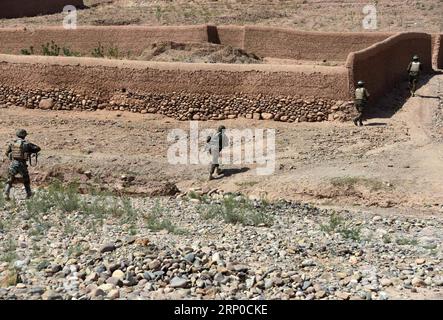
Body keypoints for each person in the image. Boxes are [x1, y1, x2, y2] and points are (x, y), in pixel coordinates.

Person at [4, 129, 41, 200]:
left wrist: (12, 158)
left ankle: (6, 193)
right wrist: (29, 151)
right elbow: (38, 148)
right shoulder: (27, 144)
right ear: (24, 135)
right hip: (22, 164)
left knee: (10, 179)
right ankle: (29, 194)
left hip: (13, 164)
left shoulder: (12, 143)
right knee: (26, 179)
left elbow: (6, 153)